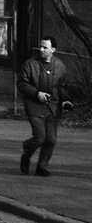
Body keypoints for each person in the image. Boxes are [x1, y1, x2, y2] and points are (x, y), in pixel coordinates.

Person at [17, 35, 73, 177]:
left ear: (53, 50)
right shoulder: (30, 64)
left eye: (45, 47)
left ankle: (42, 167)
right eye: (40, 47)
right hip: (35, 106)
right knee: (40, 138)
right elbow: (22, 84)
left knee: (51, 139)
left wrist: (65, 100)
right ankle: (26, 153)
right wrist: (37, 93)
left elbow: (62, 86)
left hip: (53, 108)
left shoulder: (59, 66)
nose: (41, 49)